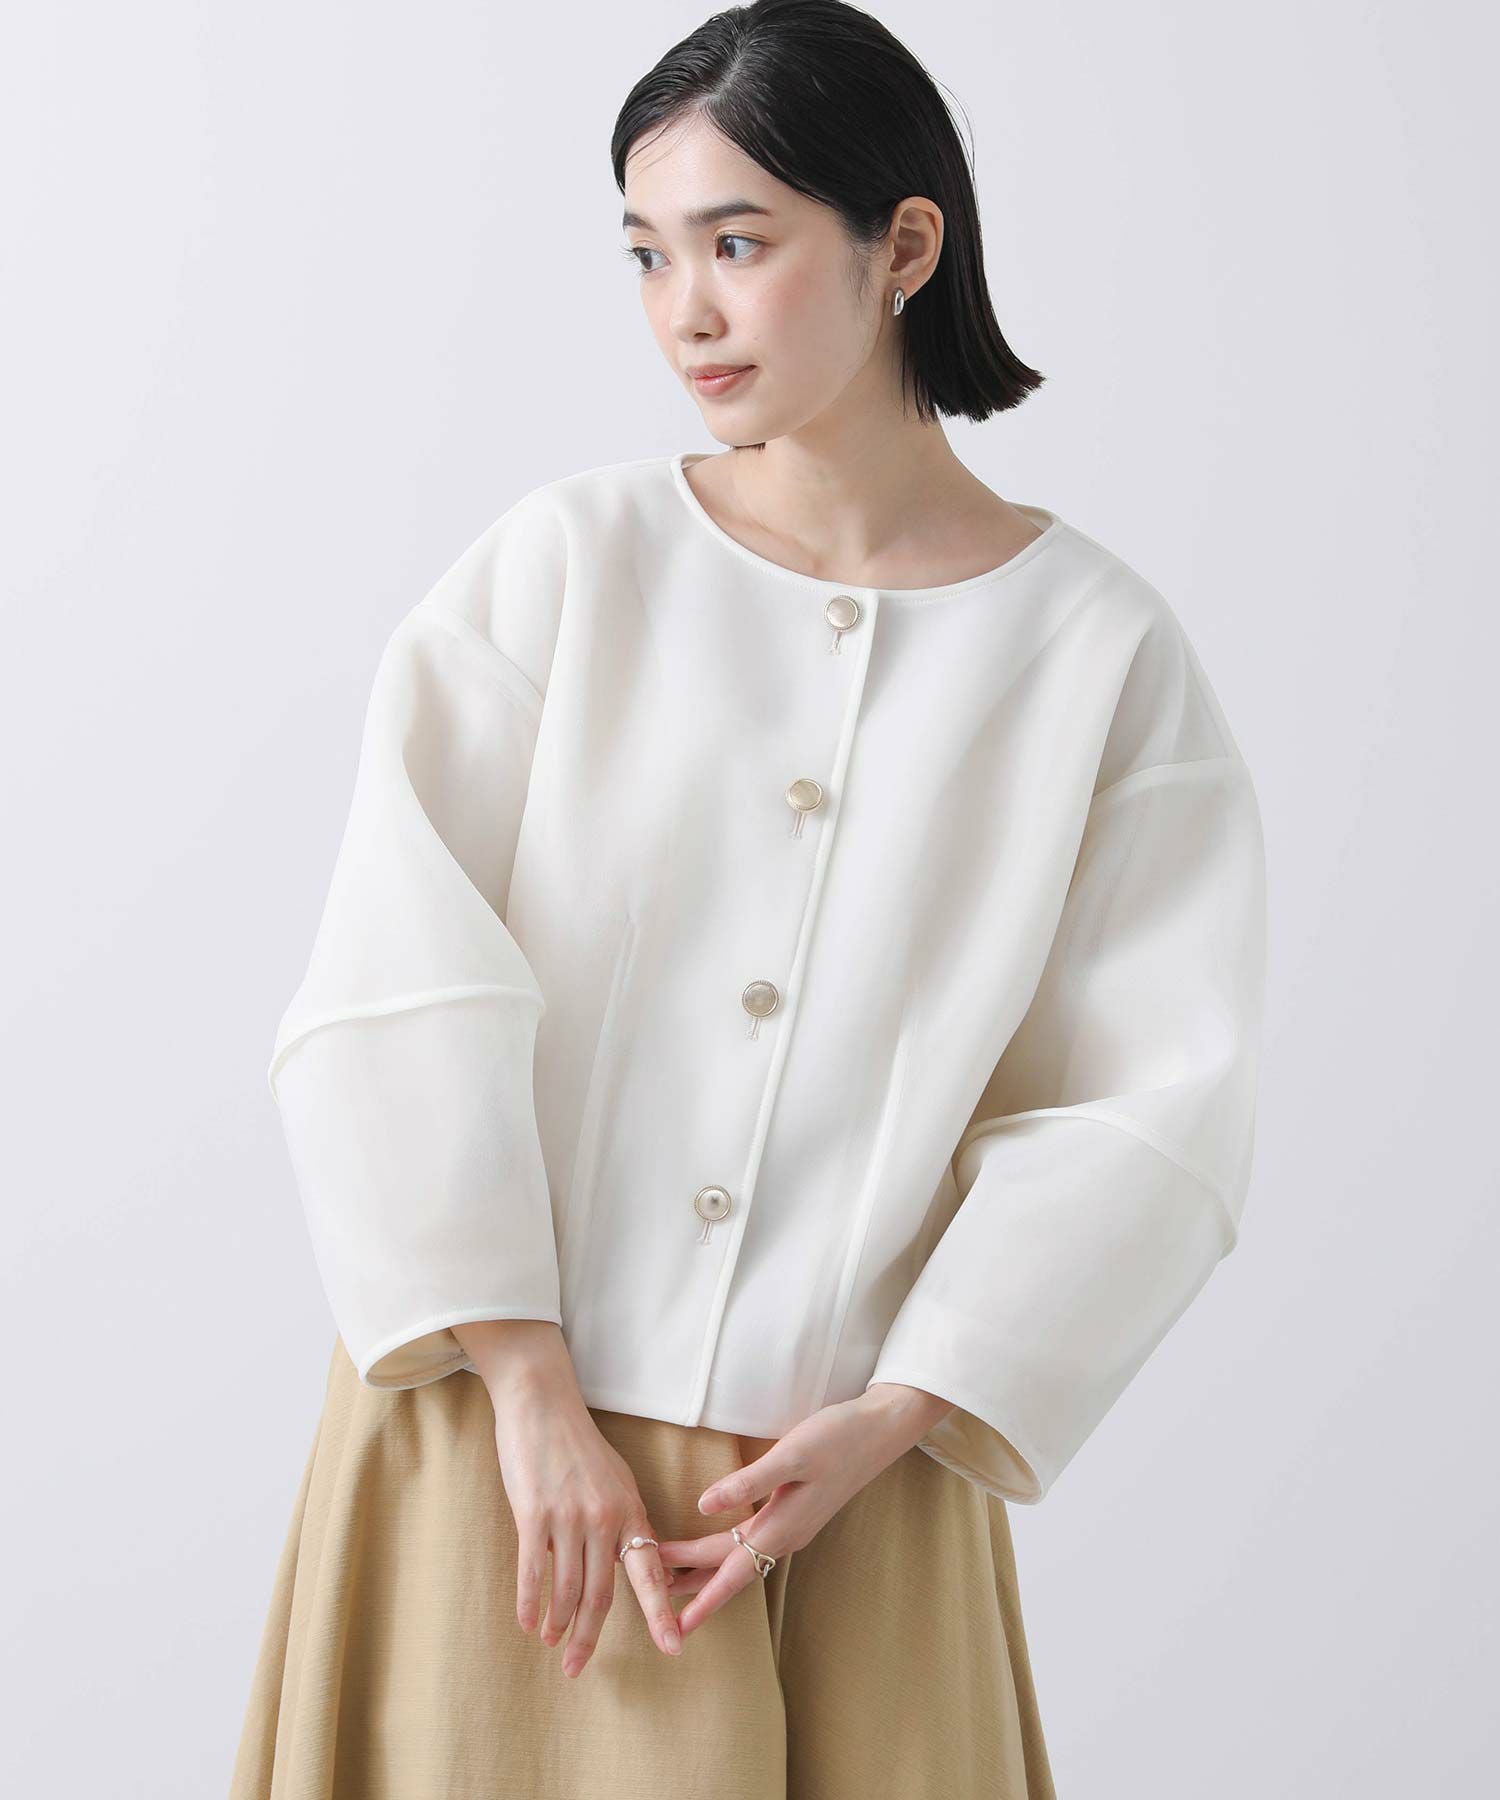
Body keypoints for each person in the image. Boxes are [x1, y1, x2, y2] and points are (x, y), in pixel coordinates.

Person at [230, 3, 1267, 1795]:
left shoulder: (1097, 653)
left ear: (904, 245)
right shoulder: (567, 567)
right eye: (648, 253)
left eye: (737, 243)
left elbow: (1150, 1103)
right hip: (500, 1451)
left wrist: (904, 1413)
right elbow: (399, 980)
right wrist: (529, 1388)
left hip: (846, 1491)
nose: (685, 311)